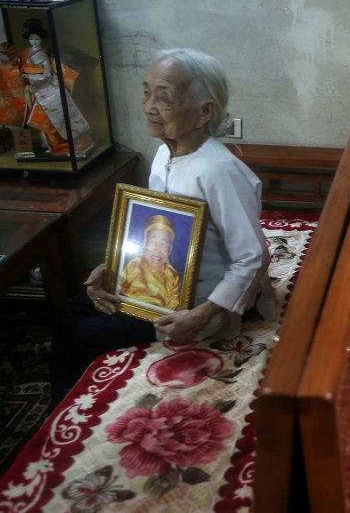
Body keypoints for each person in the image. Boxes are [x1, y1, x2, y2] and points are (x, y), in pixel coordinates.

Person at [49, 48, 277, 408]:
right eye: (146, 91)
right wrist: (113, 268)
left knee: (87, 332)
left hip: (200, 300)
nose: (149, 106)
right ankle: (55, 417)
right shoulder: (164, 154)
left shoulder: (218, 171)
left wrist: (199, 315)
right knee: (71, 311)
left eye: (164, 97)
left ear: (205, 112)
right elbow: (153, 228)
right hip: (157, 284)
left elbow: (253, 256)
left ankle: (77, 413)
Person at [20, 18, 93, 155]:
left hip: (47, 87)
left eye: (36, 39)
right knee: (42, 121)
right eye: (31, 39)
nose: (34, 41)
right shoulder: (27, 52)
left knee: (54, 118)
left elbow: (47, 74)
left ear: (41, 39)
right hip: (36, 88)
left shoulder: (42, 55)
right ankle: (48, 145)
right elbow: (24, 67)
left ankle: (60, 143)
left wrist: (30, 78)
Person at [118, 214, 181, 311]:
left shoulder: (173, 277)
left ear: (170, 249)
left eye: (163, 244)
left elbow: (173, 308)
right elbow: (118, 290)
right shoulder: (134, 264)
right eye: (152, 242)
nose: (157, 249)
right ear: (144, 243)